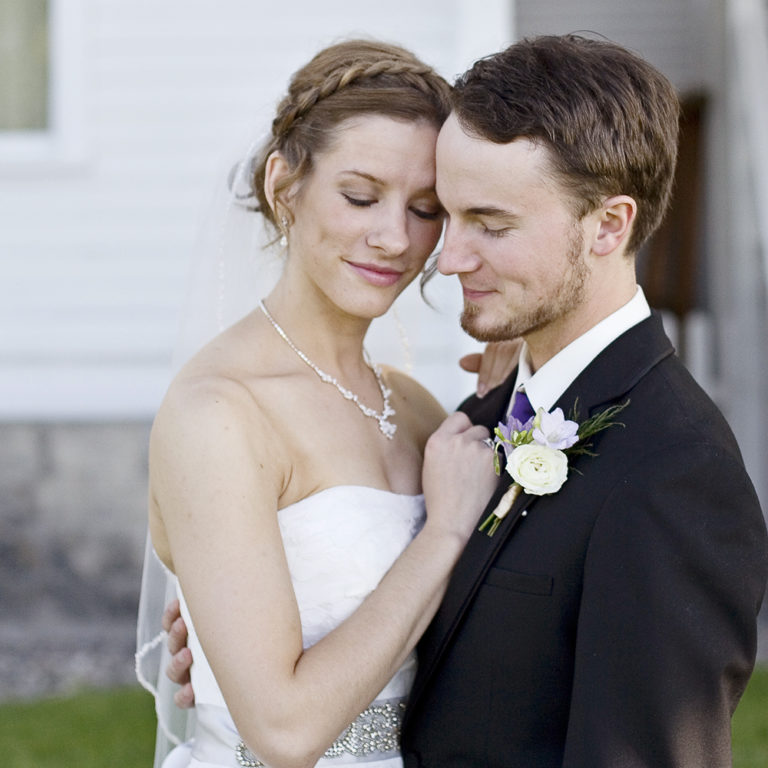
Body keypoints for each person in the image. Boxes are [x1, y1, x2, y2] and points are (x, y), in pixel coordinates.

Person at [164, 34, 768, 767]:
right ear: (281, 185)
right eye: (363, 196)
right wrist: (224, 626)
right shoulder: (474, 422)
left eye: (478, 220)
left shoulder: (673, 472)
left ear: (610, 226)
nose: (435, 254)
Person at [136, 38, 508, 768]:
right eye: (361, 196)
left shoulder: (420, 409)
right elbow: (283, 733)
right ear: (284, 185)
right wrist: (444, 537)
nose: (394, 237)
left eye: (426, 209)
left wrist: (513, 397)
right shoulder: (220, 413)